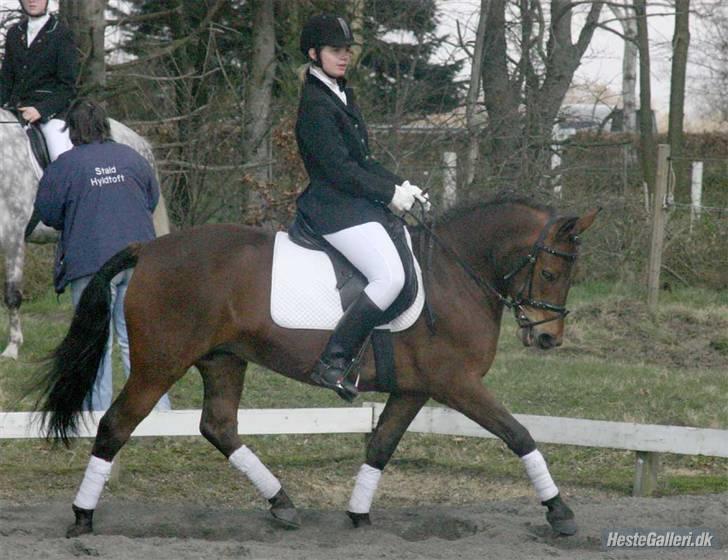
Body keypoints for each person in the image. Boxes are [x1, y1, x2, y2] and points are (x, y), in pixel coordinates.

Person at [295, 13, 429, 402]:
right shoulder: (315, 106)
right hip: (331, 208)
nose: (344, 56)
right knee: (390, 278)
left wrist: (401, 184)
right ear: (314, 53)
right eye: (336, 50)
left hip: (353, 204)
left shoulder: (341, 95)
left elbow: (364, 162)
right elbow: (338, 170)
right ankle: (333, 362)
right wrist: (388, 196)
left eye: (347, 50)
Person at [35, 99, 171, 411]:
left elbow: (48, 214)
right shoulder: (133, 159)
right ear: (104, 126)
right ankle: (159, 413)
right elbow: (150, 201)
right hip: (139, 260)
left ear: (73, 131)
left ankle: (97, 414)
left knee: (95, 343)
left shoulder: (64, 166)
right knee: (138, 339)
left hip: (91, 263)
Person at [0, 0, 77, 160]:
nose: (32, 0)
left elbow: (67, 87)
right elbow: (5, 81)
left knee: (58, 153)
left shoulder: (62, 34)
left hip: (50, 113)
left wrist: (40, 110)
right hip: (16, 110)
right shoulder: (14, 33)